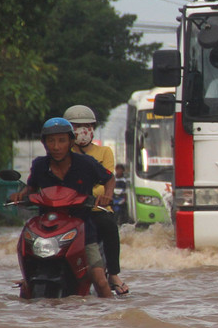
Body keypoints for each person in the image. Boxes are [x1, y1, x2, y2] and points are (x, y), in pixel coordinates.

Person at [10, 117, 115, 298]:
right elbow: (31, 187)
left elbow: (109, 179)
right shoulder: (39, 165)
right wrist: (21, 194)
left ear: (70, 142)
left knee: (100, 281)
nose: (56, 146)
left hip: (82, 230)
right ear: (45, 143)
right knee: (25, 283)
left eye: (61, 140)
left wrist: (108, 196)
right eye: (51, 141)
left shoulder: (86, 163)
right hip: (46, 228)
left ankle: (112, 320)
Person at [65, 105, 129, 295]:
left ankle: (114, 274)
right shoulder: (60, 154)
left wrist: (98, 195)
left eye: (87, 125)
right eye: (76, 126)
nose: (82, 131)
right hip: (68, 211)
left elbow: (106, 181)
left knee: (109, 225)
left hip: (95, 210)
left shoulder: (104, 153)